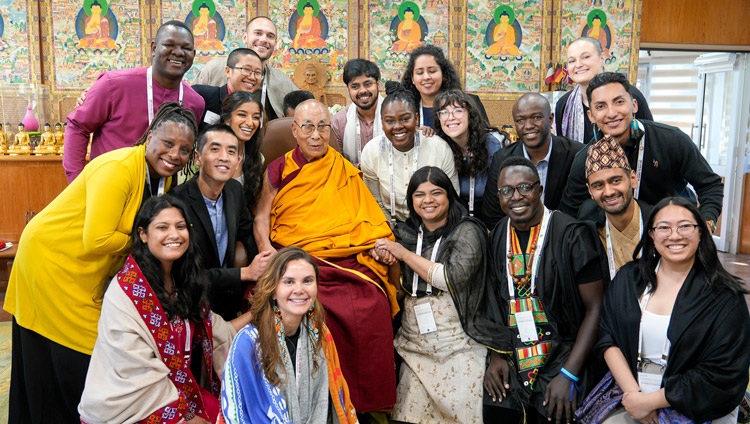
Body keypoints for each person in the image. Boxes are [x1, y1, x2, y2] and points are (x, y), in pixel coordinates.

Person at [5, 103, 198, 423]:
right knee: (80, 356)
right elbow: (97, 239)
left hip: (86, 270)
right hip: (52, 259)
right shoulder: (118, 168)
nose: (175, 154)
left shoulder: (162, 179)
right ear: (149, 137)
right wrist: (149, 244)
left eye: (184, 149)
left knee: (80, 358)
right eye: (168, 143)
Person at [253, 99, 399, 414]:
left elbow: (367, 217)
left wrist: (377, 243)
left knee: (371, 300)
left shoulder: (342, 167)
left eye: (323, 127)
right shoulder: (279, 169)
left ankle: (362, 403)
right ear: (294, 130)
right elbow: (262, 217)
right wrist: (265, 249)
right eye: (308, 127)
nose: (317, 135)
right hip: (295, 256)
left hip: (345, 256)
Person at [78, 195, 251, 423]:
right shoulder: (126, 292)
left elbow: (220, 333)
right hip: (133, 403)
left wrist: (258, 313)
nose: (174, 235)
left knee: (239, 412)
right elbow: (137, 372)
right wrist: (188, 417)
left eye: (180, 226)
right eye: (162, 227)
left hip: (178, 392)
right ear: (143, 234)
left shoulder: (185, 282)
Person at [576, 197, 750, 423]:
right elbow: (607, 338)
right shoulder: (629, 279)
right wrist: (635, 397)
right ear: (651, 234)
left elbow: (722, 373)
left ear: (701, 232)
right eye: (663, 227)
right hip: (632, 391)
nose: (674, 235)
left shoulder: (725, 297)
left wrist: (652, 401)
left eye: (685, 226)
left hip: (697, 403)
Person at [472, 157, 606, 424]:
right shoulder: (499, 233)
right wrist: (497, 356)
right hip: (513, 351)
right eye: (506, 191)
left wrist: (570, 373)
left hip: (561, 353)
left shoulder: (571, 234)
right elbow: (494, 299)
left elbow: (596, 309)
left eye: (524, 187)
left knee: (555, 412)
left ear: (540, 189)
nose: (516, 197)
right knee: (496, 409)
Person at [373, 167, 488, 423]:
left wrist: (402, 254)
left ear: (449, 196)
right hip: (414, 345)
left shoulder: (467, 230)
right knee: (409, 416)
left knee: (462, 413)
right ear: (411, 201)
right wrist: (387, 256)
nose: (428, 200)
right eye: (419, 194)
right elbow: (401, 288)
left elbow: (451, 278)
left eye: (436, 193)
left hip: (460, 342)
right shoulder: (405, 233)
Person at [559, 72, 724, 228]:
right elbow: (570, 211)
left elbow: (710, 186)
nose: (611, 113)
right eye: (601, 106)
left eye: (619, 102)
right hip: (616, 239)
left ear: (634, 105)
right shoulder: (586, 159)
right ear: (591, 116)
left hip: (672, 231)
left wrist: (706, 224)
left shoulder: (670, 140)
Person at [220, 246, 358, 423]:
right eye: (289, 282)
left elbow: (331, 406)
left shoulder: (320, 334)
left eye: (307, 281)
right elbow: (240, 413)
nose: (299, 289)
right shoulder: (248, 343)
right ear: (273, 289)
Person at [64, 20, 205, 183]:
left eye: (186, 48)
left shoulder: (195, 103)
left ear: (193, 55)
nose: (178, 52)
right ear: (154, 48)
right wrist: (76, 182)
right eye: (169, 45)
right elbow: (77, 126)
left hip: (160, 196)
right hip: (109, 187)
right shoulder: (114, 84)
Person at [172, 124, 272, 321]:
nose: (224, 157)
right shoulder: (177, 202)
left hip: (228, 299)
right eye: (215, 149)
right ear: (198, 158)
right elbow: (183, 275)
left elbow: (247, 233)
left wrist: (265, 265)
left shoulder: (234, 190)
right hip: (189, 303)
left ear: (238, 161)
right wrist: (244, 273)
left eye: (231, 151)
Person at [361, 82, 458, 223]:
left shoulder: (439, 148)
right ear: (382, 123)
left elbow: (451, 199)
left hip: (436, 226)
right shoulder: (372, 152)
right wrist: (394, 235)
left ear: (416, 119)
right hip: (391, 226)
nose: (398, 126)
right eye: (389, 121)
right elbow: (375, 203)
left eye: (405, 119)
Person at [483, 93, 584, 228]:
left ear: (550, 119)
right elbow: (492, 215)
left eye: (536, 118)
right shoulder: (502, 159)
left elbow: (576, 209)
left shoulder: (576, 154)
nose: (529, 125)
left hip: (563, 235)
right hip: (517, 236)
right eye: (520, 120)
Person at [194, 16, 297, 121]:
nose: (263, 39)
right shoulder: (214, 69)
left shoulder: (283, 81)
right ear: (245, 37)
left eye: (270, 36)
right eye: (258, 33)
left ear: (275, 43)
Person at [555, 37, 652, 145]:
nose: (578, 65)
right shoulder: (564, 105)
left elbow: (650, 140)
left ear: (602, 58)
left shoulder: (628, 95)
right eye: (572, 61)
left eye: (585, 57)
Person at [582, 136, 653, 279]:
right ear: (590, 191)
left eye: (615, 181)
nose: (608, 192)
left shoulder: (658, 222)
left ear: (633, 179)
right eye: (598, 185)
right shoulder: (588, 231)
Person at [434, 89, 506, 221]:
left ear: (470, 114)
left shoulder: (493, 145)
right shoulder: (439, 146)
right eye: (444, 112)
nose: (450, 117)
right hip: (454, 219)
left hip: (492, 218)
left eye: (458, 110)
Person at [401, 45, 489, 128]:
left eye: (432, 71)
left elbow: (484, 138)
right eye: (419, 73)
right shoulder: (404, 109)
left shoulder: (469, 103)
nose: (426, 77)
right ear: (412, 78)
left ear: (444, 75)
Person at [331, 59, 384, 166]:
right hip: (352, 179)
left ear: (378, 85)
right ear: (348, 89)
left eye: (368, 84)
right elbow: (337, 162)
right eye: (355, 86)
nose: (362, 91)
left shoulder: (395, 115)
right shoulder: (339, 121)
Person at [193, 48, 263, 128]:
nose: (252, 77)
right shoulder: (202, 96)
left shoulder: (254, 109)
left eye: (257, 73)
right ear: (228, 71)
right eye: (246, 69)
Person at [220, 91, 264, 212]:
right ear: (227, 118)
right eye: (242, 115)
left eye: (255, 117)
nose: (250, 123)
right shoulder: (204, 151)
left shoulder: (258, 158)